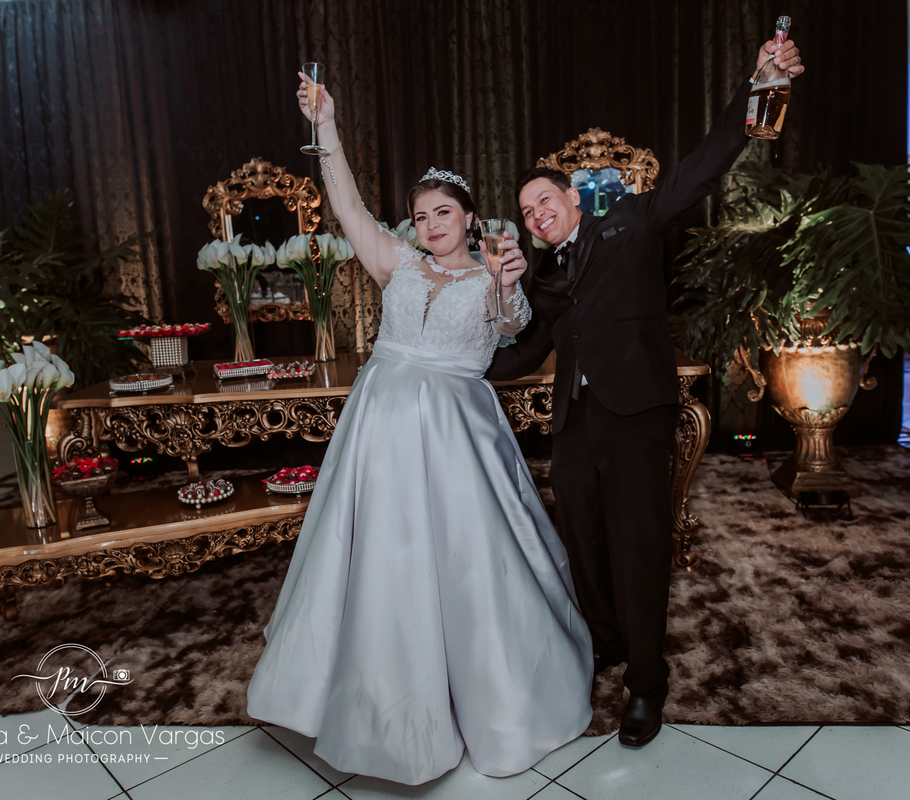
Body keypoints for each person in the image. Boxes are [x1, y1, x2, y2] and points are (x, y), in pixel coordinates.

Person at [246, 75, 594, 786]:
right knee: (378, 557)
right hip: (379, 429)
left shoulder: (496, 275)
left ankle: (492, 700)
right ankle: (367, 702)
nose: (432, 224)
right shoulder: (396, 264)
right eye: (420, 215)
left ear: (469, 218)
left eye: (444, 212)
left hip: (455, 437)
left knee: (468, 564)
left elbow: (509, 325)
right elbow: (347, 205)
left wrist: (506, 280)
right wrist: (327, 128)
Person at [485, 38, 806, 748]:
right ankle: (605, 643)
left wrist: (760, 85)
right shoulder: (544, 277)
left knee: (638, 545)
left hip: (635, 414)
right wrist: (456, 365)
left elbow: (708, 161)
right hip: (574, 423)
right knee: (581, 541)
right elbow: (527, 352)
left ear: (572, 197)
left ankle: (646, 682)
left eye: (543, 200)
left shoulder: (632, 221)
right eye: (526, 210)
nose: (535, 215)